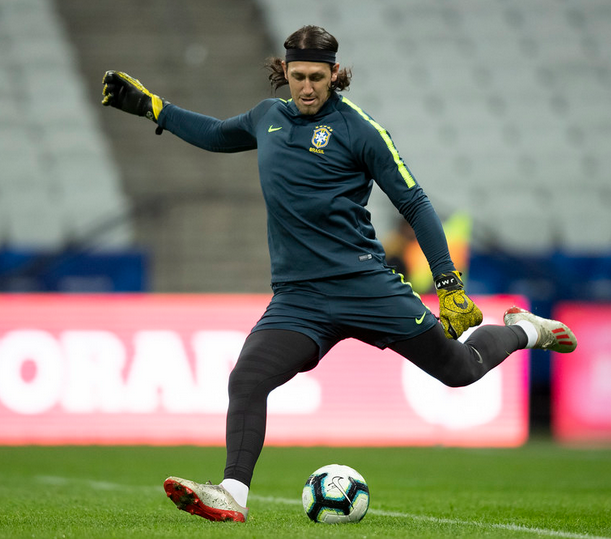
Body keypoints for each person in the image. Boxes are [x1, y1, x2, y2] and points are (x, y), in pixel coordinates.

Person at [101, 25, 577, 523]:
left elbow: (414, 201)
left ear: (334, 76)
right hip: (299, 298)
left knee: (459, 371)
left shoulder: (360, 130)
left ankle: (525, 329)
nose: (306, 87)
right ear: (283, 72)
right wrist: (153, 108)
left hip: (365, 288)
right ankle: (232, 495)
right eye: (297, 76)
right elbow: (218, 135)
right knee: (247, 378)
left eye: (317, 77)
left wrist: (448, 283)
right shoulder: (267, 118)